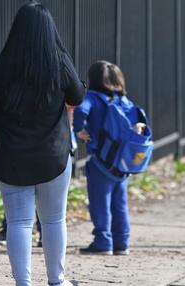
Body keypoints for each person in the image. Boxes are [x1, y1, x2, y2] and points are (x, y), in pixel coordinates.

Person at [0, 2, 85, 286]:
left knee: (18, 223)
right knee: (53, 220)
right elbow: (77, 96)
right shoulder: (59, 62)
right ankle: (56, 280)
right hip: (53, 155)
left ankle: (23, 283)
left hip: (12, 157)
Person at [72, 61, 136, 256]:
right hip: (121, 163)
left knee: (100, 203)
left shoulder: (93, 97)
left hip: (100, 161)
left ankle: (103, 241)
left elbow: (81, 110)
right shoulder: (124, 101)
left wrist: (79, 131)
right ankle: (122, 242)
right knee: (120, 203)